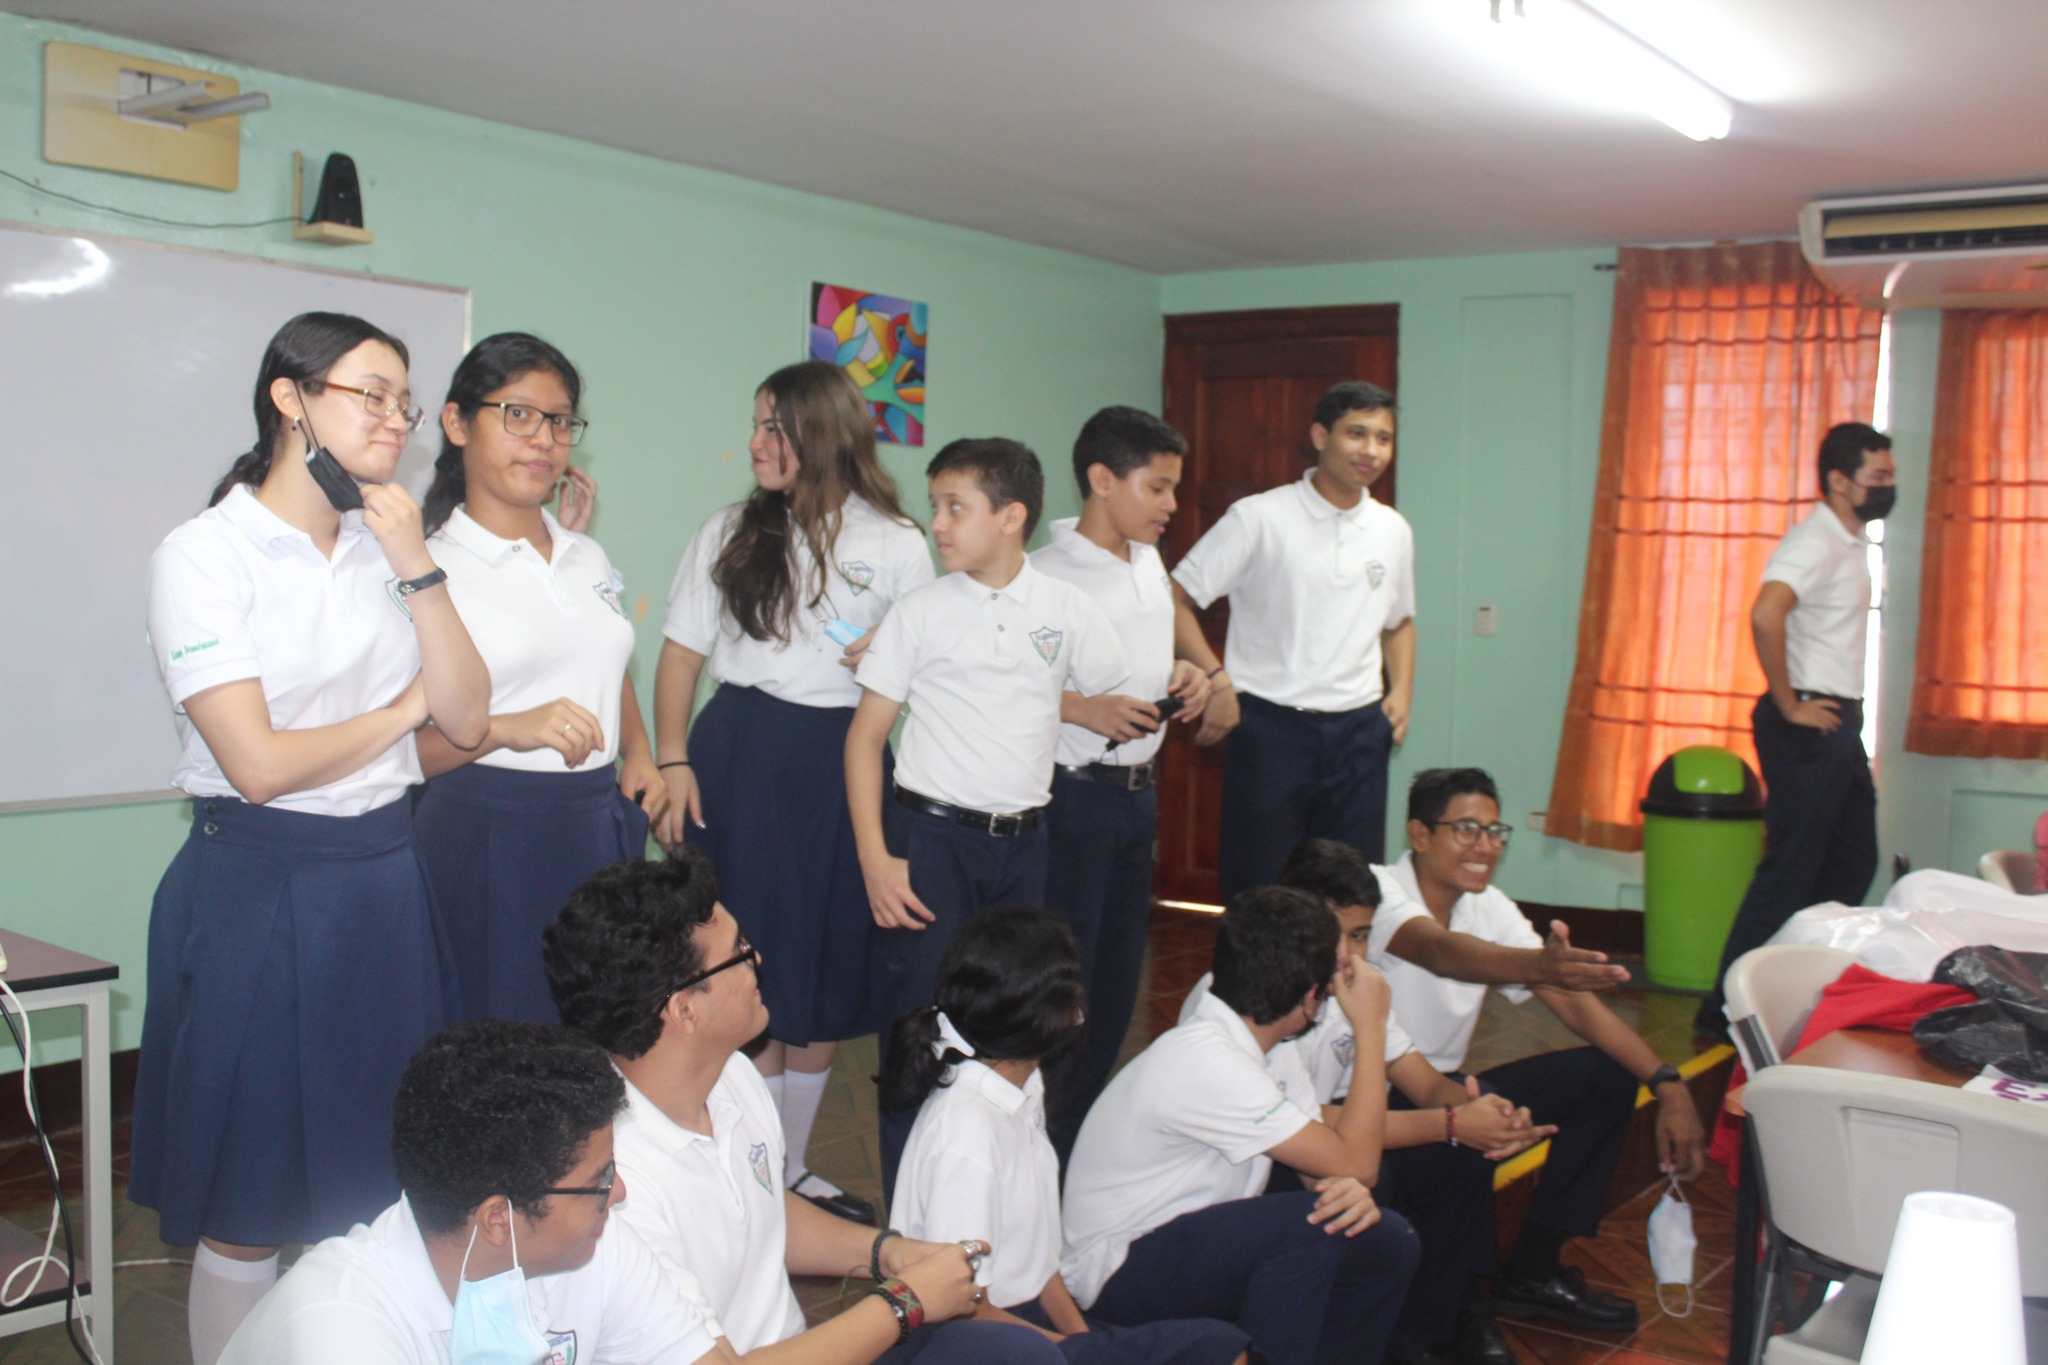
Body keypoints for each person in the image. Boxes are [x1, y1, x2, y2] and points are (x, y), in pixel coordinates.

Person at [135, 312, 490, 1364]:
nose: (393, 420)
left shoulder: (387, 544)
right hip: (261, 882)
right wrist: (401, 712)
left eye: (401, 403)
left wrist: (417, 564)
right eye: (369, 395)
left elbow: (469, 718)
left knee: (379, 1180)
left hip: (384, 879)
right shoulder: (205, 553)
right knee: (248, 1199)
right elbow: (258, 763)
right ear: (289, 399)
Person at [542, 852, 1066, 1365]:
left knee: (1016, 1352)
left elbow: (764, 1212)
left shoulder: (732, 1074)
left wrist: (887, 1251)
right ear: (685, 1010)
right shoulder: (614, 1187)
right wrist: (904, 1302)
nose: (756, 960)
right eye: (738, 951)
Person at [653, 359, 935, 1225]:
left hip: (844, 763)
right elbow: (681, 654)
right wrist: (672, 759)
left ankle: (792, 1168)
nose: (756, 443)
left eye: (774, 427)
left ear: (824, 433)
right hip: (740, 756)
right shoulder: (731, 529)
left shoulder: (896, 541)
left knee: (821, 973)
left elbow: (933, 658)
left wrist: (893, 647)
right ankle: (751, 1173)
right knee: (745, 964)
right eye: (756, 425)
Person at [846, 437, 1129, 1191]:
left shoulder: (1065, 608)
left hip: (1024, 846)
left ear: (1012, 517)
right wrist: (876, 858)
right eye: (935, 506)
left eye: (955, 507)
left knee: (1014, 1019)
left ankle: (1001, 1191)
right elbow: (865, 738)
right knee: (918, 1027)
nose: (937, 524)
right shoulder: (920, 612)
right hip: (930, 843)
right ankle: (910, 1215)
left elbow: (1100, 687)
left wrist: (1193, 678)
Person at [1368, 769, 1709, 1336]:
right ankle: (1458, 1310)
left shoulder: (1488, 905)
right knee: (1471, 1116)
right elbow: (1441, 951)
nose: (1485, 846)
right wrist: (1536, 965)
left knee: (1604, 1075)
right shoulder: (1379, 891)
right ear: (1420, 834)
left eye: (1495, 831)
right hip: (1373, 1099)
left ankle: (1533, 1269)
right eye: (1467, 829)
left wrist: (1666, 1082)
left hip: (1446, 1084)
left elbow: (1576, 1006)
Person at [412, 332, 667, 1024]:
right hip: (487, 834)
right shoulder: (429, 569)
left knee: (599, 1029)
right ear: (457, 423)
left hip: (595, 825)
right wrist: (503, 730)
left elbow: (603, 660)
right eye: (517, 415)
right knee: (500, 1039)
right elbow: (396, 754)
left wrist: (640, 752)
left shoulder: (585, 554)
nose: (543, 440)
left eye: (558, 421)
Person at [219, 1019, 724, 1364]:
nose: (618, 1193)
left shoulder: (588, 1247)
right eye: (599, 1182)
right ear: (497, 1220)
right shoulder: (337, 1333)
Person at [1060, 886, 1420, 1365]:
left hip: (1181, 1240)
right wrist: (1370, 1026)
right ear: (1311, 999)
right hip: (1117, 1273)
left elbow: (1333, 1171)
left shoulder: (1272, 1047)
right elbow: (1358, 1162)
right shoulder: (1209, 1059)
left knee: (1386, 1239)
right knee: (1311, 1227)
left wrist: (1347, 1189)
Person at [883, 908, 1251, 1365]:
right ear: (1046, 1018)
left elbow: (1041, 1267)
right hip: (976, 1341)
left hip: (1021, 1320)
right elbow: (962, 1311)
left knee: (1217, 1347)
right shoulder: (966, 1136)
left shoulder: (1022, 1086)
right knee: (1216, 1350)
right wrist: (1076, 1350)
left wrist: (1082, 1338)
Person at [1029, 406, 1210, 1157]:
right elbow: (997, 683)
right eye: (1157, 487)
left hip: (1138, 800)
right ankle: (1039, 1137)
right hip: (1073, 799)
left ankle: (1079, 1137)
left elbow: (1152, 649)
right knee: (1061, 984)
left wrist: (1190, 674)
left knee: (1114, 983)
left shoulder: (1148, 563)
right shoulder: (1042, 574)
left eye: (1174, 489)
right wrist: (1082, 707)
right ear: (1103, 480)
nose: (1171, 504)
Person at [1171, 380, 1415, 894]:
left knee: (1349, 888)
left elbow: (1399, 623)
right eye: (1356, 433)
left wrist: (1402, 693)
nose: (1371, 450)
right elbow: (1173, 600)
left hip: (1359, 733)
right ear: (1320, 436)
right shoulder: (1259, 517)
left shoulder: (1392, 529)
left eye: (1384, 438)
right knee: (1261, 886)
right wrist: (1217, 681)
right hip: (1271, 730)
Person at [1696, 423, 1896, 1036]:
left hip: (1837, 723)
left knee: (1853, 860)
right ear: (1839, 480)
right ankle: (1726, 1013)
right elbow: (1766, 613)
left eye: (1890, 475)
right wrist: (1788, 704)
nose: (1888, 486)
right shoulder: (1814, 541)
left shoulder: (1849, 542)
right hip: (1809, 723)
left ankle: (1795, 986)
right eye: (1878, 476)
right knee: (1789, 873)